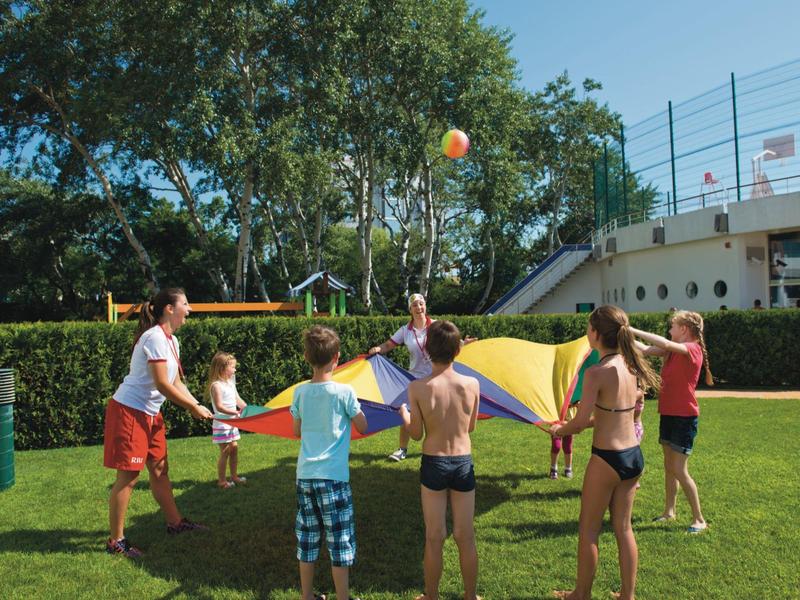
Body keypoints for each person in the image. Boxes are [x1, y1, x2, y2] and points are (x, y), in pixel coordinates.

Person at [550, 305, 660, 600]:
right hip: (633, 457)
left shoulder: (597, 373)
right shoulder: (631, 366)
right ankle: (628, 595)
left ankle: (581, 594)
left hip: (607, 459)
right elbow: (615, 413)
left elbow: (582, 421)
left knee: (588, 531)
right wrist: (571, 426)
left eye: (588, 327)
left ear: (595, 334)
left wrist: (558, 430)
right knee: (624, 529)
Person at [103, 288, 213, 558]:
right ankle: (116, 541)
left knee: (160, 468)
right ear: (169, 309)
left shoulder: (172, 341)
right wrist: (191, 407)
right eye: (185, 304)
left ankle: (175, 523)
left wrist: (199, 405)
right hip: (130, 411)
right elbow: (162, 384)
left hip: (150, 414)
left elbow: (176, 382)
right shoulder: (153, 338)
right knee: (128, 477)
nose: (190, 309)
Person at [398, 320, 481, 600]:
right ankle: (471, 595)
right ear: (458, 349)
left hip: (433, 463)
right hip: (462, 462)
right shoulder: (472, 384)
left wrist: (404, 415)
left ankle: (430, 595)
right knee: (465, 535)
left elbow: (416, 434)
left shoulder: (418, 388)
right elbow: (470, 427)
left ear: (427, 351)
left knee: (435, 536)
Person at [291, 325, 368, 600]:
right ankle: (343, 597)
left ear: (305, 356)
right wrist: (355, 411)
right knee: (339, 539)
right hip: (334, 479)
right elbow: (363, 424)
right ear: (337, 357)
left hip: (305, 476)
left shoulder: (299, 392)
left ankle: (307, 595)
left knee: (308, 537)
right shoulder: (345, 392)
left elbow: (296, 431)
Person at [630, 311, 713, 534]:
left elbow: (664, 341)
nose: (669, 330)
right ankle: (669, 511)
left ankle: (699, 519)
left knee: (679, 468)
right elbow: (647, 349)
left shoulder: (692, 349)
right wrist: (624, 336)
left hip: (684, 417)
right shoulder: (671, 352)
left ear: (684, 329)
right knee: (669, 467)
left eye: (673, 326)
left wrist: (632, 330)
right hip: (668, 414)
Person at [206, 352, 248, 489]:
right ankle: (222, 481)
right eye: (232, 367)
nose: (235, 370)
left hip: (233, 423)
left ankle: (234, 476)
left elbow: (237, 399)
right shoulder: (216, 385)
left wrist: (247, 409)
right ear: (222, 368)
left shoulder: (230, 382)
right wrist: (236, 413)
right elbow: (219, 407)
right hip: (222, 423)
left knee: (234, 448)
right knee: (225, 451)